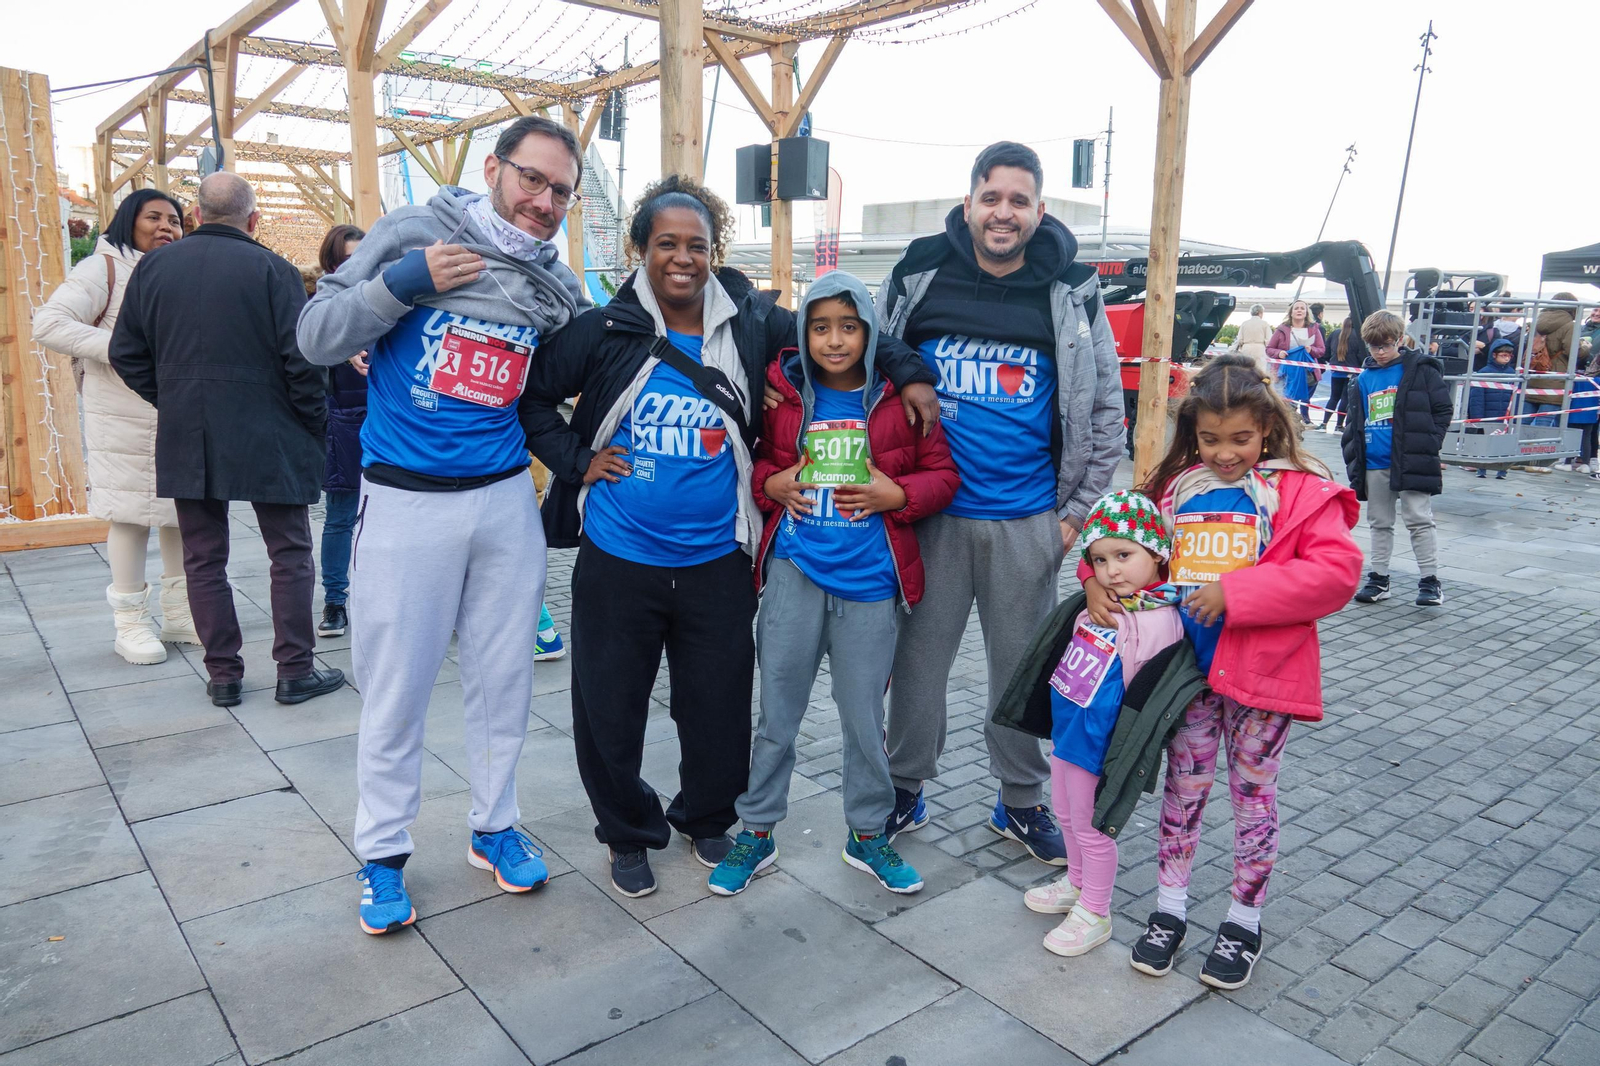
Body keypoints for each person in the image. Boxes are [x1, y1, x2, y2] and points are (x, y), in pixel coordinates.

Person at [521, 175, 939, 900]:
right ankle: (627, 831)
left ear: (715, 251)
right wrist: (577, 461)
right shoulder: (603, 329)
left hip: (719, 557)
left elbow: (841, 327)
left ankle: (711, 818)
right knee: (609, 705)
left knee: (715, 705)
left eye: (698, 246)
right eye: (667, 245)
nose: (683, 259)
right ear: (641, 250)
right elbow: (531, 398)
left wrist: (907, 372)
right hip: (620, 556)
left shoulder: (750, 324)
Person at [297, 115, 588, 933]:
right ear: (493, 168)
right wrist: (401, 284)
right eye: (532, 179)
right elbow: (317, 336)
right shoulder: (413, 233)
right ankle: (383, 855)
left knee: (506, 681)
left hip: (502, 501)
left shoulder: (554, 285)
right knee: (399, 688)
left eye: (560, 190)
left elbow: (576, 368)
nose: (544, 201)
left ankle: (494, 827)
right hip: (403, 500)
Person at [875, 141, 1124, 866]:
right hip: (931, 515)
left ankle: (1019, 800)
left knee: (1022, 671)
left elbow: (1104, 406)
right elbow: (871, 359)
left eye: (1019, 200)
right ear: (969, 203)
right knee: (918, 665)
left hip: (1027, 520)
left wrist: (1073, 516)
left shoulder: (1072, 288)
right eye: (992, 198)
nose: (1003, 212)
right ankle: (903, 787)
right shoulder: (921, 271)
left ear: (1039, 210)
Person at [1085, 354, 1362, 989]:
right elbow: (1121, 542)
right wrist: (1093, 584)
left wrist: (1239, 595)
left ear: (1267, 428)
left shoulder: (1299, 491)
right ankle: (1170, 909)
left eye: (1241, 438)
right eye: (1210, 439)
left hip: (1262, 675)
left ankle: (1243, 920)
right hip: (1187, 672)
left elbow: (1336, 574)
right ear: (1193, 433)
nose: (1226, 453)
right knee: (1183, 792)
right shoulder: (1176, 488)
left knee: (1252, 797)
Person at [706, 271, 959, 899]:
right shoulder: (782, 393)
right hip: (795, 572)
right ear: (804, 333)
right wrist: (772, 484)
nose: (835, 340)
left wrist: (896, 494)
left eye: (849, 327)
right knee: (778, 716)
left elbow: (943, 475)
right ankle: (757, 831)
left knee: (862, 719)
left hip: (871, 582)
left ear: (871, 332)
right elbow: (760, 460)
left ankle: (869, 834)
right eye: (820, 327)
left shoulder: (897, 400)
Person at [109, 172, 344, 709]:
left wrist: (172, 397)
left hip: (187, 430)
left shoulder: (153, 269)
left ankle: (223, 676)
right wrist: (313, 424)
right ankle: (294, 670)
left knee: (203, 557)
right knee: (288, 552)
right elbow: (301, 360)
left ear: (194, 215)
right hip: (272, 428)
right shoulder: (275, 270)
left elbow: (126, 352)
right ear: (253, 219)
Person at [34, 189, 198, 666]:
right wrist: (120, 348)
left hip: (173, 410)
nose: (167, 227)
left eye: (175, 220)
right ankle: (129, 624)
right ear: (129, 220)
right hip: (121, 413)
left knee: (179, 513)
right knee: (129, 516)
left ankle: (180, 615)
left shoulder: (175, 270)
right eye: (155, 217)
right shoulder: (103, 267)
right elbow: (49, 323)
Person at [1017, 490, 1183, 958]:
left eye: (1124, 555)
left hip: (1101, 742)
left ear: (1157, 553)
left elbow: (1148, 696)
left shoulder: (1160, 618)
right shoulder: (1103, 600)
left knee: (1092, 827)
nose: (1112, 570)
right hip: (1071, 729)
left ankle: (1096, 910)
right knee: (1066, 813)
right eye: (1101, 559)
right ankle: (1075, 882)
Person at [1341, 311, 1453, 607]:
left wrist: (1431, 443)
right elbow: (1354, 423)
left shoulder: (1421, 370)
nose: (1379, 353)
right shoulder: (1363, 379)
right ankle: (1379, 578)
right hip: (1375, 462)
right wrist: (1354, 456)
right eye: (1374, 347)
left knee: (1418, 519)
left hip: (1412, 457)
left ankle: (1430, 581)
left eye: (1385, 346)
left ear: (1400, 340)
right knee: (1379, 521)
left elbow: (1442, 410)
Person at [313, 223, 366, 639]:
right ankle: (335, 602)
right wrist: (342, 352)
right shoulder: (320, 309)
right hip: (344, 422)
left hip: (393, 424)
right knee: (341, 517)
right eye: (349, 259)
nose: (359, 266)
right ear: (332, 265)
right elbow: (302, 357)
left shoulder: (389, 300)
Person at [1267, 300, 1325, 424]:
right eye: (1296, 308)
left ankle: (1303, 421)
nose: (1299, 310)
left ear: (1306, 312)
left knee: (1303, 399)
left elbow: (1321, 350)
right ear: (1291, 312)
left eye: (1302, 308)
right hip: (1285, 373)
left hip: (1306, 373)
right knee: (1285, 403)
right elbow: (1269, 349)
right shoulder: (1281, 329)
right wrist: (1279, 353)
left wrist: (1311, 349)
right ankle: (1285, 424)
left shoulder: (1314, 329)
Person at [1468, 338, 1517, 480]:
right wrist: (1477, 417)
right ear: (1494, 355)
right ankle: (1481, 468)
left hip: (1505, 415)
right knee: (1485, 442)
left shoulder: (1512, 373)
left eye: (1509, 355)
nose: (1506, 357)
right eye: (1503, 355)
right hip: (1486, 415)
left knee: (1504, 443)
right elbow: (1476, 399)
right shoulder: (1484, 372)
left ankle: (1502, 470)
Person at [1319, 315, 1366, 434]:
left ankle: (1324, 423)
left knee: (1334, 397)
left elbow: (1326, 352)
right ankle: (1339, 425)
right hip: (1352, 372)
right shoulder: (1359, 336)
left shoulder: (1335, 333)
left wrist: (1332, 362)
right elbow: (1361, 356)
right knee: (1345, 399)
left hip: (1336, 372)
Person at [1231, 304, 1273, 377]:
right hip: (1260, 348)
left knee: (1246, 370)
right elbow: (1269, 339)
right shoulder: (1264, 324)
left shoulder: (1244, 323)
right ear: (1260, 313)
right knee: (1260, 371)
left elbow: (1240, 339)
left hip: (1246, 348)